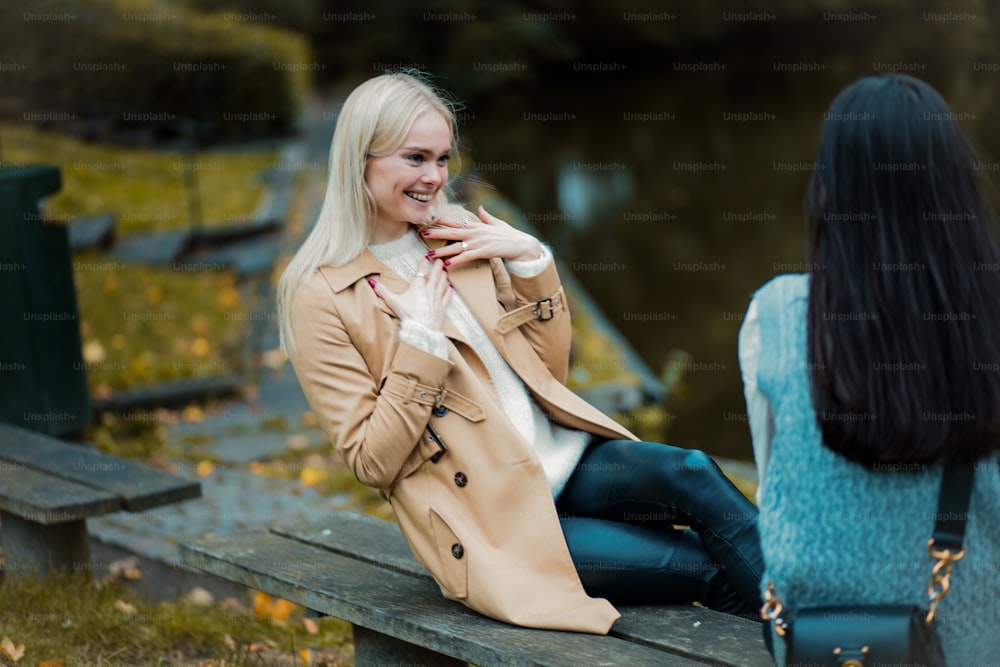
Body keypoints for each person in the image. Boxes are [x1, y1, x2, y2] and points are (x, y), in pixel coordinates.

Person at [277, 71, 763, 634]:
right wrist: (422, 341)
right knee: (704, 567)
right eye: (415, 158)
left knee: (695, 473)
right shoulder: (319, 293)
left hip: (565, 464)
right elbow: (370, 461)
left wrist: (532, 262)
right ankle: (831, 646)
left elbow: (546, 374)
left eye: (442, 159)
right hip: (494, 520)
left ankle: (832, 629)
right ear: (360, 159)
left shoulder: (456, 231)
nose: (434, 178)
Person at [739, 73, 1000, 663]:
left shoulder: (775, 315)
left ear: (831, 188)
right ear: (955, 188)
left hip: (813, 648)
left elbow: (778, 480)